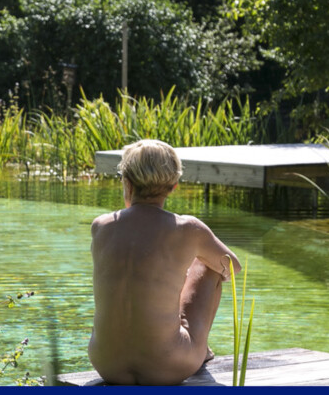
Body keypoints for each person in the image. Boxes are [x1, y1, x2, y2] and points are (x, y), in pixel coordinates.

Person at [87, 139, 242, 385]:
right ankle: (200, 349)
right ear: (173, 186)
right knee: (208, 265)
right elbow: (233, 268)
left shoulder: (101, 227)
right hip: (168, 367)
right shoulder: (187, 228)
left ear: (126, 182)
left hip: (107, 365)